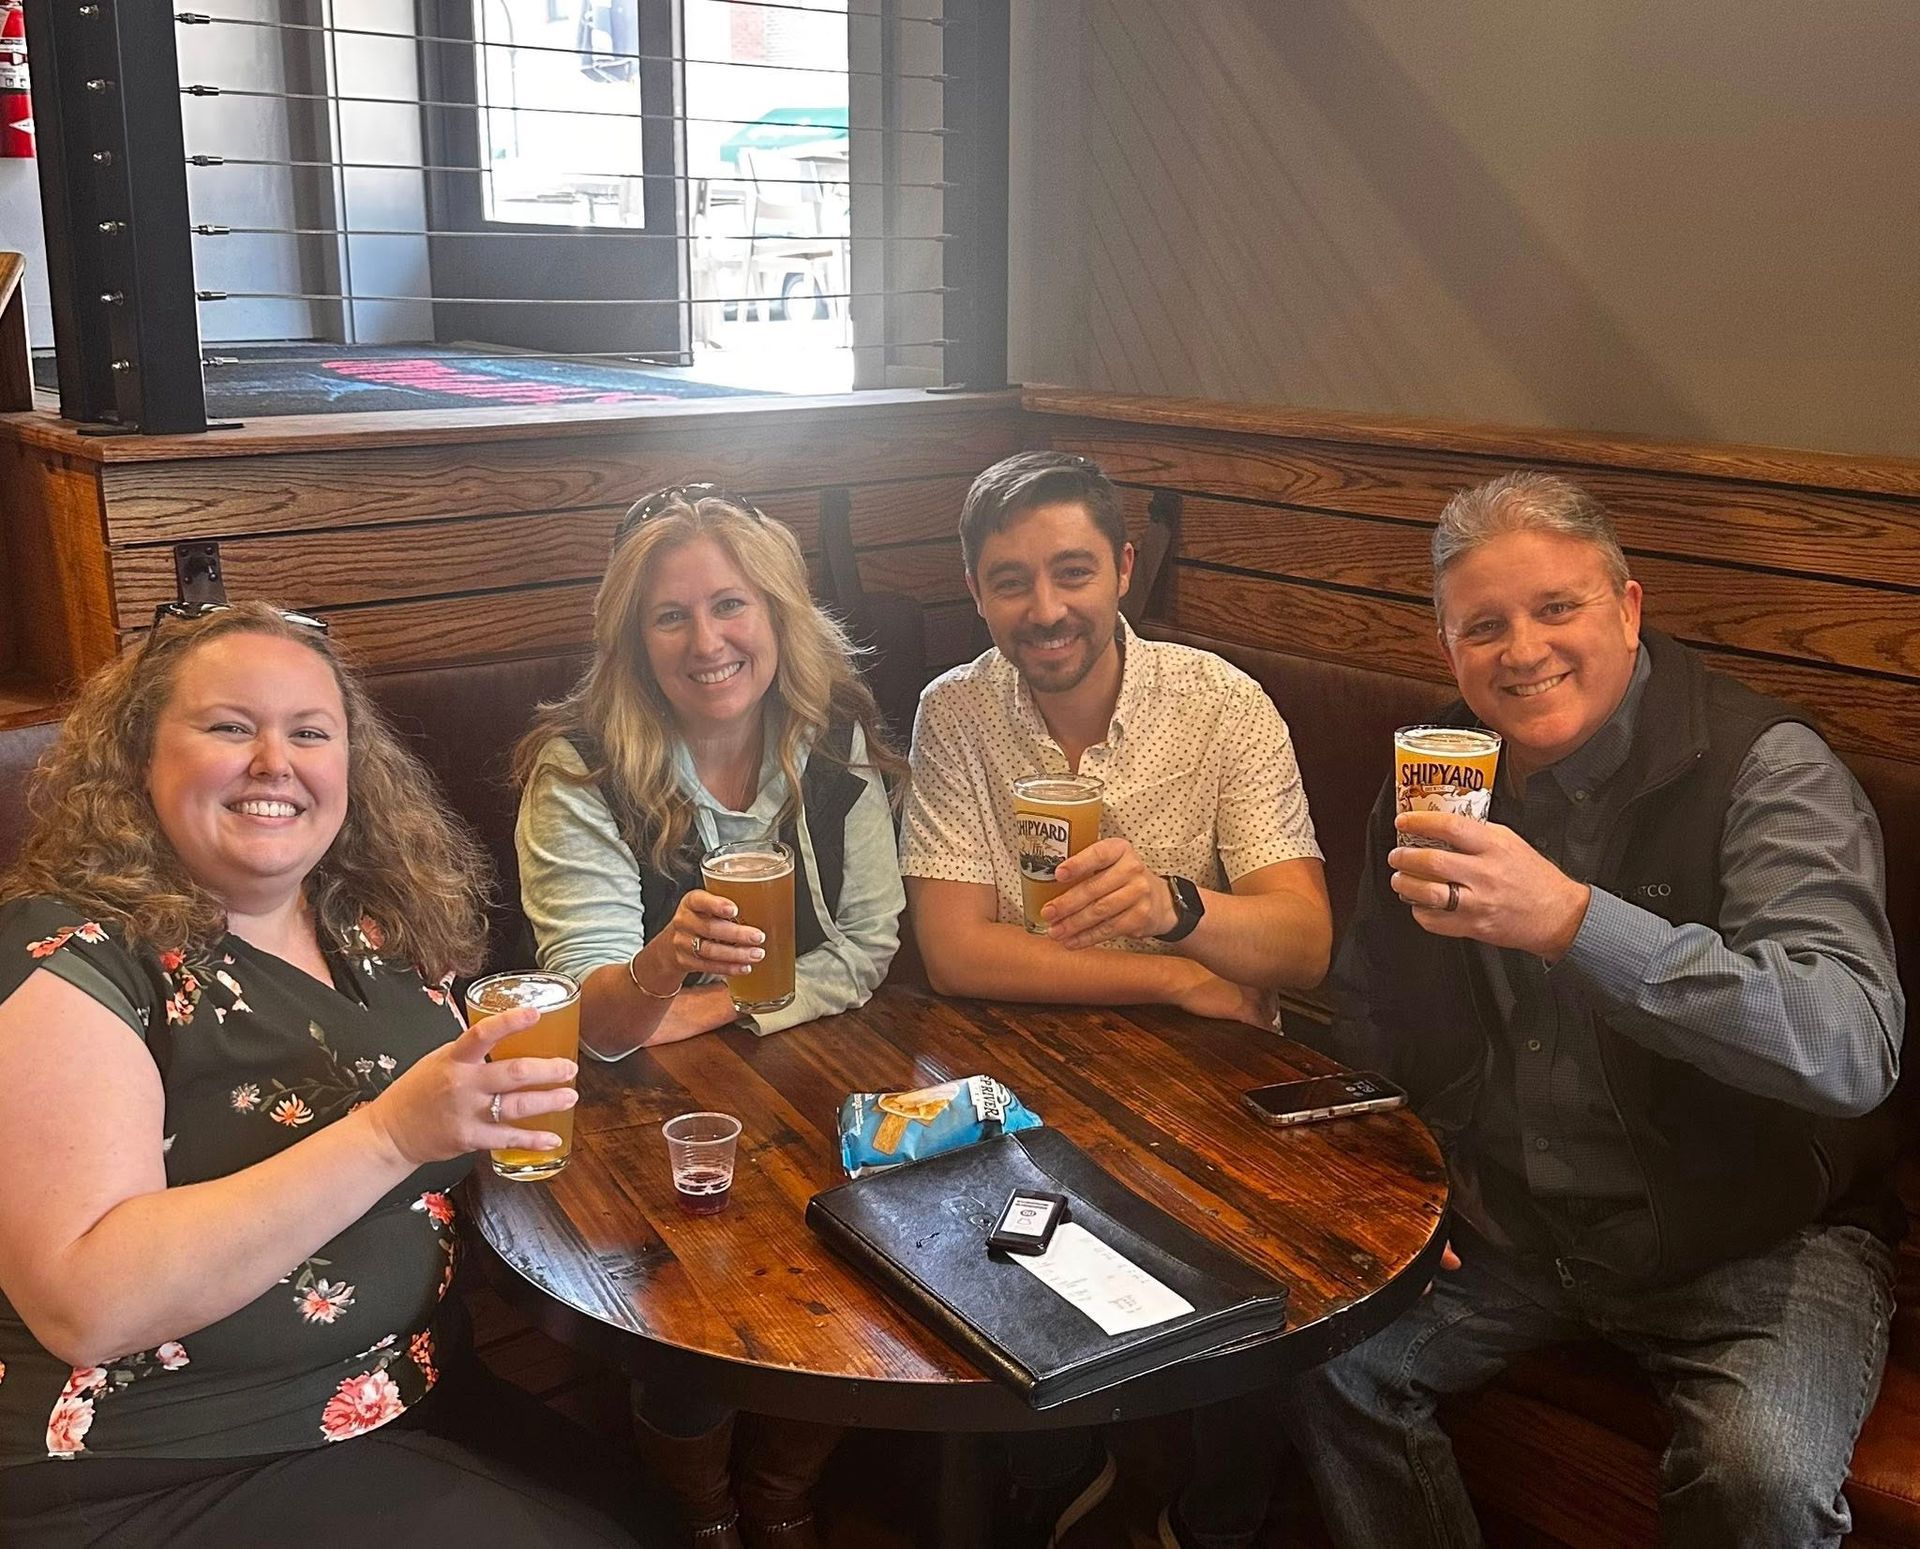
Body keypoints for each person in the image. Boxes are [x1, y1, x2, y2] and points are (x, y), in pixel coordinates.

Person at [1267, 471, 1904, 1548]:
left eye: (1557, 607)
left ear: (1629, 607)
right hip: (1515, 1223)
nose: (1522, 650)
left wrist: (1572, 919)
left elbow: (1849, 1044)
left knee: (1758, 1478)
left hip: (1752, 1235)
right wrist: (1399, 1185)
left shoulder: (1767, 770)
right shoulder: (1434, 772)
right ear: (1449, 649)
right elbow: (1370, 1006)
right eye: (1484, 627)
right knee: (1322, 1359)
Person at [0, 602, 670, 1548]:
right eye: (231, 727)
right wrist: (390, 1134)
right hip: (164, 1460)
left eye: (309, 732)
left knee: (652, 1513)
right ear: (140, 757)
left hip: (410, 1391)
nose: (275, 762)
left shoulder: (374, 923)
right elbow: (86, 1298)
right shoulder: (73, 954)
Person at [898, 451, 1333, 1548]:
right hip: (1021, 1091)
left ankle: (1199, 1508)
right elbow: (955, 953)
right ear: (975, 587)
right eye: (1011, 581)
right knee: (945, 1253)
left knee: (1251, 1292)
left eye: (1072, 572)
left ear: (1124, 568)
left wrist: (1181, 907)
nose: (1045, 610)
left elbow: (1307, 945)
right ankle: (1056, 1474)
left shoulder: (1221, 704)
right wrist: (1179, 974)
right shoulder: (953, 712)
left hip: (1213, 1088)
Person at [514, 484, 907, 1549]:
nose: (708, 640)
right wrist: (655, 975)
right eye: (670, 615)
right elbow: (589, 1021)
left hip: (800, 1070)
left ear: (777, 615)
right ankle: (699, 1515)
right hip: (625, 1112)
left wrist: (717, 1006)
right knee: (686, 1292)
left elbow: (870, 943)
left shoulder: (835, 735)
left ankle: (781, 1503)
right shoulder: (582, 765)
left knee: (857, 1248)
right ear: (634, 640)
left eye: (731, 605)